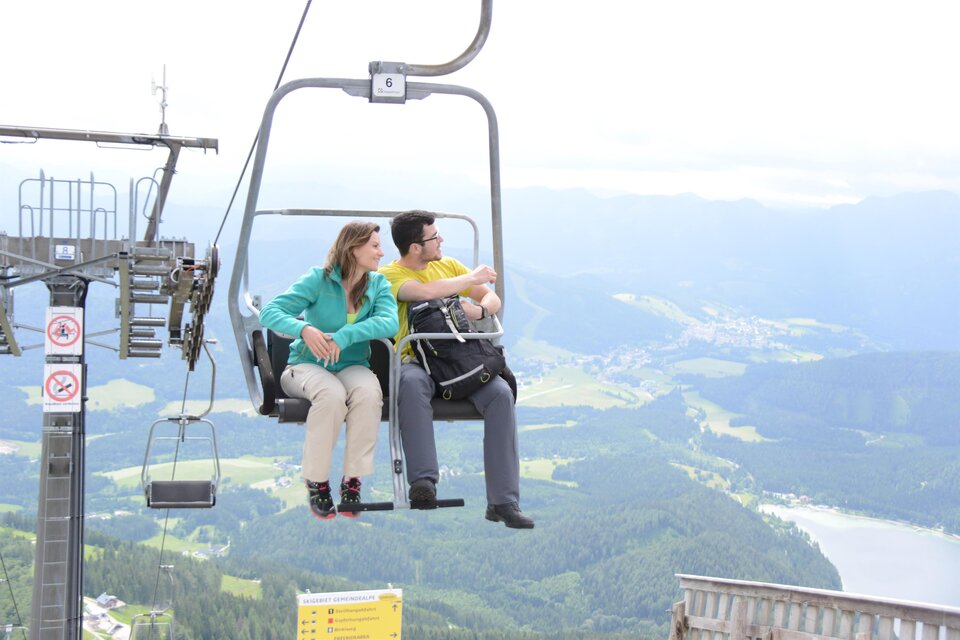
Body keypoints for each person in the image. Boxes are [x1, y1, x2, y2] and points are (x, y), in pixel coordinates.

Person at [379, 210, 534, 529]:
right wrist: (472, 279)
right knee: (409, 383)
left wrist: (477, 308)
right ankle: (423, 483)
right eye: (434, 237)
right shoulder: (387, 276)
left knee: (501, 394)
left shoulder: (448, 266)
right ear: (415, 247)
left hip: (458, 360)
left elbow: (492, 299)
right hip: (416, 359)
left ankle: (503, 501)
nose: (441, 241)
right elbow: (421, 293)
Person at [259, 222, 398, 520]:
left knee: (368, 393)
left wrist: (346, 335)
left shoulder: (377, 285)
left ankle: (352, 481)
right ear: (353, 248)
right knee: (332, 395)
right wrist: (304, 328)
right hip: (306, 365)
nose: (381, 252)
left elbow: (389, 323)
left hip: (352, 364)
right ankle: (317, 482)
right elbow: (269, 312)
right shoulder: (318, 280)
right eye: (374, 246)